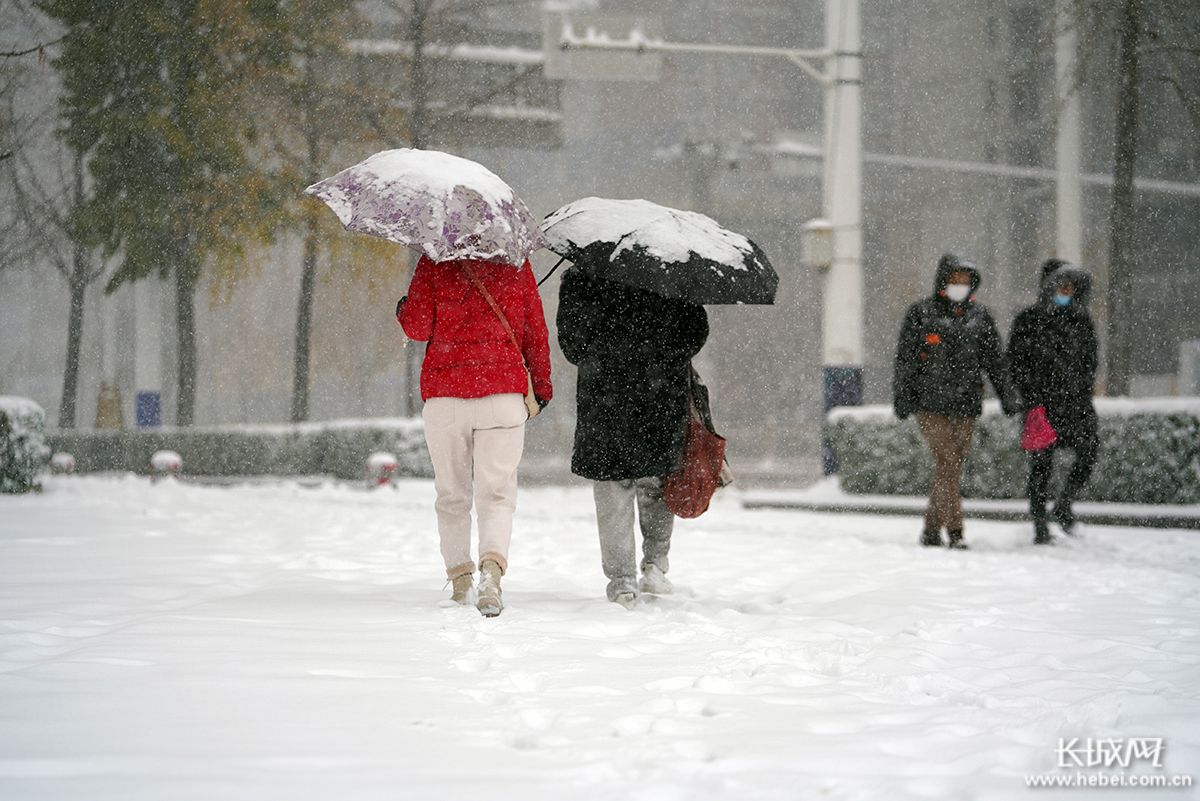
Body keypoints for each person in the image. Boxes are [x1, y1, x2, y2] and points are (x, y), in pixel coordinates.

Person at [397, 255, 552, 617]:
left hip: (446, 395)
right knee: (496, 494)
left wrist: (404, 308)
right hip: (502, 394)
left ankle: (460, 580)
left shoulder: (435, 259)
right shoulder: (515, 259)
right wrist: (541, 388)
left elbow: (417, 327)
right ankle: (491, 576)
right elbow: (535, 331)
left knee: (451, 493)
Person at [556, 265, 709, 607]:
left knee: (613, 491)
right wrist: (662, 353)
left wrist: (605, 353)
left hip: (605, 398)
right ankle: (655, 564)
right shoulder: (671, 272)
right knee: (657, 483)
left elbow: (570, 344)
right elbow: (696, 333)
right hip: (660, 395)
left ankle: (622, 582)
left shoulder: (582, 277)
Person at [893, 253, 1016, 550]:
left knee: (949, 467)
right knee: (948, 462)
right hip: (930, 403)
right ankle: (956, 531)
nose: (960, 285)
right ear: (942, 281)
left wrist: (1008, 396)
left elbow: (994, 360)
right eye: (954, 279)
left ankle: (931, 530)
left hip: (966, 404)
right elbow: (906, 360)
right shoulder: (921, 314)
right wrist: (903, 396)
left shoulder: (980, 317)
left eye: (965, 280)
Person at [1007, 259, 1098, 545]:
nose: (1066, 292)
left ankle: (1063, 505)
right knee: (1041, 466)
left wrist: (1081, 389)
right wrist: (1031, 394)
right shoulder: (1028, 320)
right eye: (1061, 286)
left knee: (1089, 452)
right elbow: (1015, 362)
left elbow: (1090, 361)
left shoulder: (1081, 321)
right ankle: (1039, 524)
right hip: (1041, 405)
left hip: (1076, 404)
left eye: (1070, 287)